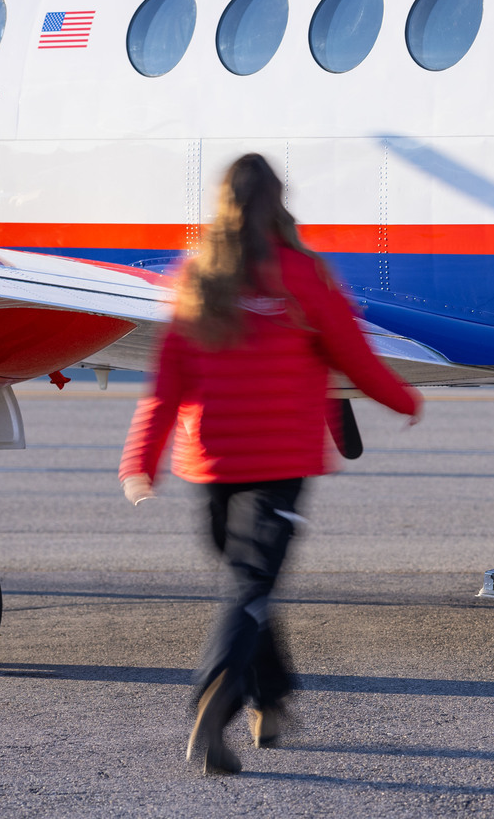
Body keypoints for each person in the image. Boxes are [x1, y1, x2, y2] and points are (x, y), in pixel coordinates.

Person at [119, 153, 423, 775]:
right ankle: (215, 699)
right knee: (252, 589)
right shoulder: (303, 276)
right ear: (279, 202)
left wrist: (139, 461)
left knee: (246, 584)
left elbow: (166, 381)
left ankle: (271, 698)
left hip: (209, 466)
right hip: (279, 463)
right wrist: (402, 398)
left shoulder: (196, 278)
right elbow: (354, 353)